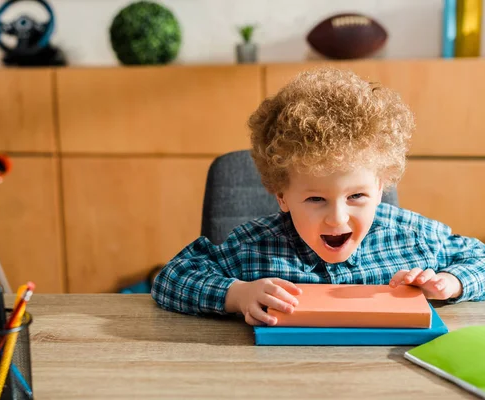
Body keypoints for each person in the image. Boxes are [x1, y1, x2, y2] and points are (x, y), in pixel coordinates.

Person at [151, 67, 485, 326]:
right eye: (315, 200)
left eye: (357, 196)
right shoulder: (254, 249)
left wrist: (451, 282)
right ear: (282, 196)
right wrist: (237, 294)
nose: (337, 218)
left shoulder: (413, 239)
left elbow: (480, 259)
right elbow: (171, 278)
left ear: (380, 188)